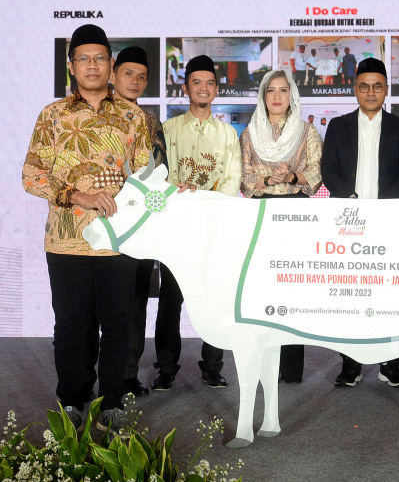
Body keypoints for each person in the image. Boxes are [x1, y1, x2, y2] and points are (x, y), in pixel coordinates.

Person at [23, 24, 151, 433]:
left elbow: (146, 175)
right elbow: (31, 175)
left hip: (118, 240)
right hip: (66, 240)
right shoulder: (53, 115)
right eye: (84, 58)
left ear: (111, 65)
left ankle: (112, 401)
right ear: (71, 66)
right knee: (71, 326)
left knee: (117, 324)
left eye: (100, 58)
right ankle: (72, 398)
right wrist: (77, 196)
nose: (92, 65)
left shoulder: (133, 116)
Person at [320, 57, 399, 388]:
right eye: (364, 86)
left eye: (377, 86)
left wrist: (383, 206)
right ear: (355, 88)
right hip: (347, 220)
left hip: (389, 219)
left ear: (386, 89)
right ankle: (351, 363)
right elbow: (328, 169)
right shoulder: (338, 126)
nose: (371, 92)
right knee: (349, 294)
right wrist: (350, 200)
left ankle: (391, 363)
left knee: (390, 294)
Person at [156, 55, 243, 391]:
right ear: (185, 87)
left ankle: (213, 367)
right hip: (175, 228)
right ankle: (166, 368)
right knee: (170, 301)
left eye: (210, 82)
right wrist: (177, 194)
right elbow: (159, 175)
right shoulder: (168, 129)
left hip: (213, 228)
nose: (203, 88)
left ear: (217, 90)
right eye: (197, 82)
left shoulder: (227, 134)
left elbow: (232, 179)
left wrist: (207, 202)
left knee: (216, 298)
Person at [239, 70, 322, 382]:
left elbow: (315, 173)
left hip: (295, 214)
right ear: (263, 96)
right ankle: (262, 364)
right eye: (271, 90)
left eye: (283, 90)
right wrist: (263, 179)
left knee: (292, 290)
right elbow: (242, 176)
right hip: (261, 214)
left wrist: (291, 177)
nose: (276, 96)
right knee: (261, 291)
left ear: (292, 95)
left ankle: (290, 369)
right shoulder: (249, 134)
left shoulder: (306, 132)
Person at [109, 46, 168, 397]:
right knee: (94, 308)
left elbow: (161, 172)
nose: (135, 81)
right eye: (128, 73)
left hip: (141, 229)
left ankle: (127, 374)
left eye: (142, 76)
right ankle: (86, 380)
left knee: (135, 303)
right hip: (102, 225)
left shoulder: (150, 122)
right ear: (114, 74)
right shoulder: (97, 116)